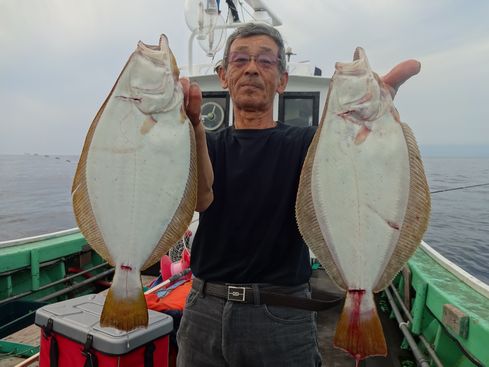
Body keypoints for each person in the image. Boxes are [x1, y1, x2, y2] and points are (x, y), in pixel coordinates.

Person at [177, 22, 421, 366]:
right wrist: (194, 126)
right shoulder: (206, 144)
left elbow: (355, 156)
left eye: (265, 61)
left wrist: (372, 115)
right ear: (223, 76)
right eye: (240, 59)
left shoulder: (309, 143)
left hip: (281, 313)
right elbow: (200, 196)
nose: (251, 68)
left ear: (282, 80)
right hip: (203, 308)